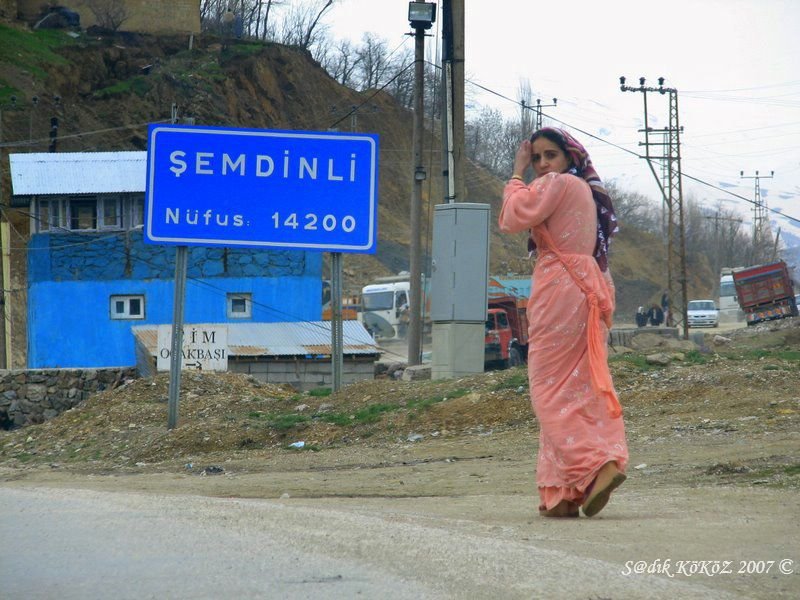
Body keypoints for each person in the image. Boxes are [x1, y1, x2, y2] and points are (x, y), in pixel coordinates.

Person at [498, 127, 628, 518]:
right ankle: (562, 493)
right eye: (536, 157)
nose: (542, 164)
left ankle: (596, 465)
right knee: (574, 388)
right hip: (589, 285)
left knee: (548, 390)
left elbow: (512, 217)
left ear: (570, 158)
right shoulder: (584, 191)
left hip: (562, 286)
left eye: (549, 155)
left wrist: (517, 173)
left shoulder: (557, 183)